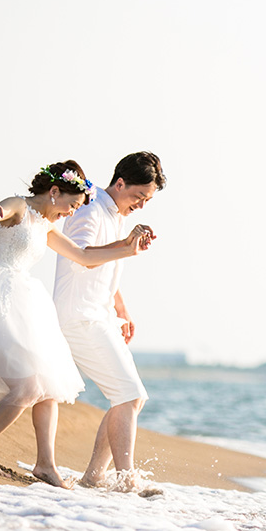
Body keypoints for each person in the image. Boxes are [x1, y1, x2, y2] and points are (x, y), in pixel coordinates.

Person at [0, 161, 152, 488]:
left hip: (24, 301)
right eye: (71, 205)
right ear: (54, 191)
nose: (71, 214)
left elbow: (84, 257)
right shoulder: (18, 206)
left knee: (48, 388)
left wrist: (128, 249)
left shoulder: (47, 226)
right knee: (28, 388)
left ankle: (46, 465)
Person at [54, 151, 165, 490]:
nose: (141, 206)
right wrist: (126, 247)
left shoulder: (115, 215)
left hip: (99, 315)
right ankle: (126, 479)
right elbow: (83, 257)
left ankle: (93, 478)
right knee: (129, 396)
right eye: (139, 196)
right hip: (78, 317)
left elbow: (106, 271)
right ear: (120, 183)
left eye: (148, 200)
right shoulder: (87, 209)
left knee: (132, 397)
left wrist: (122, 309)